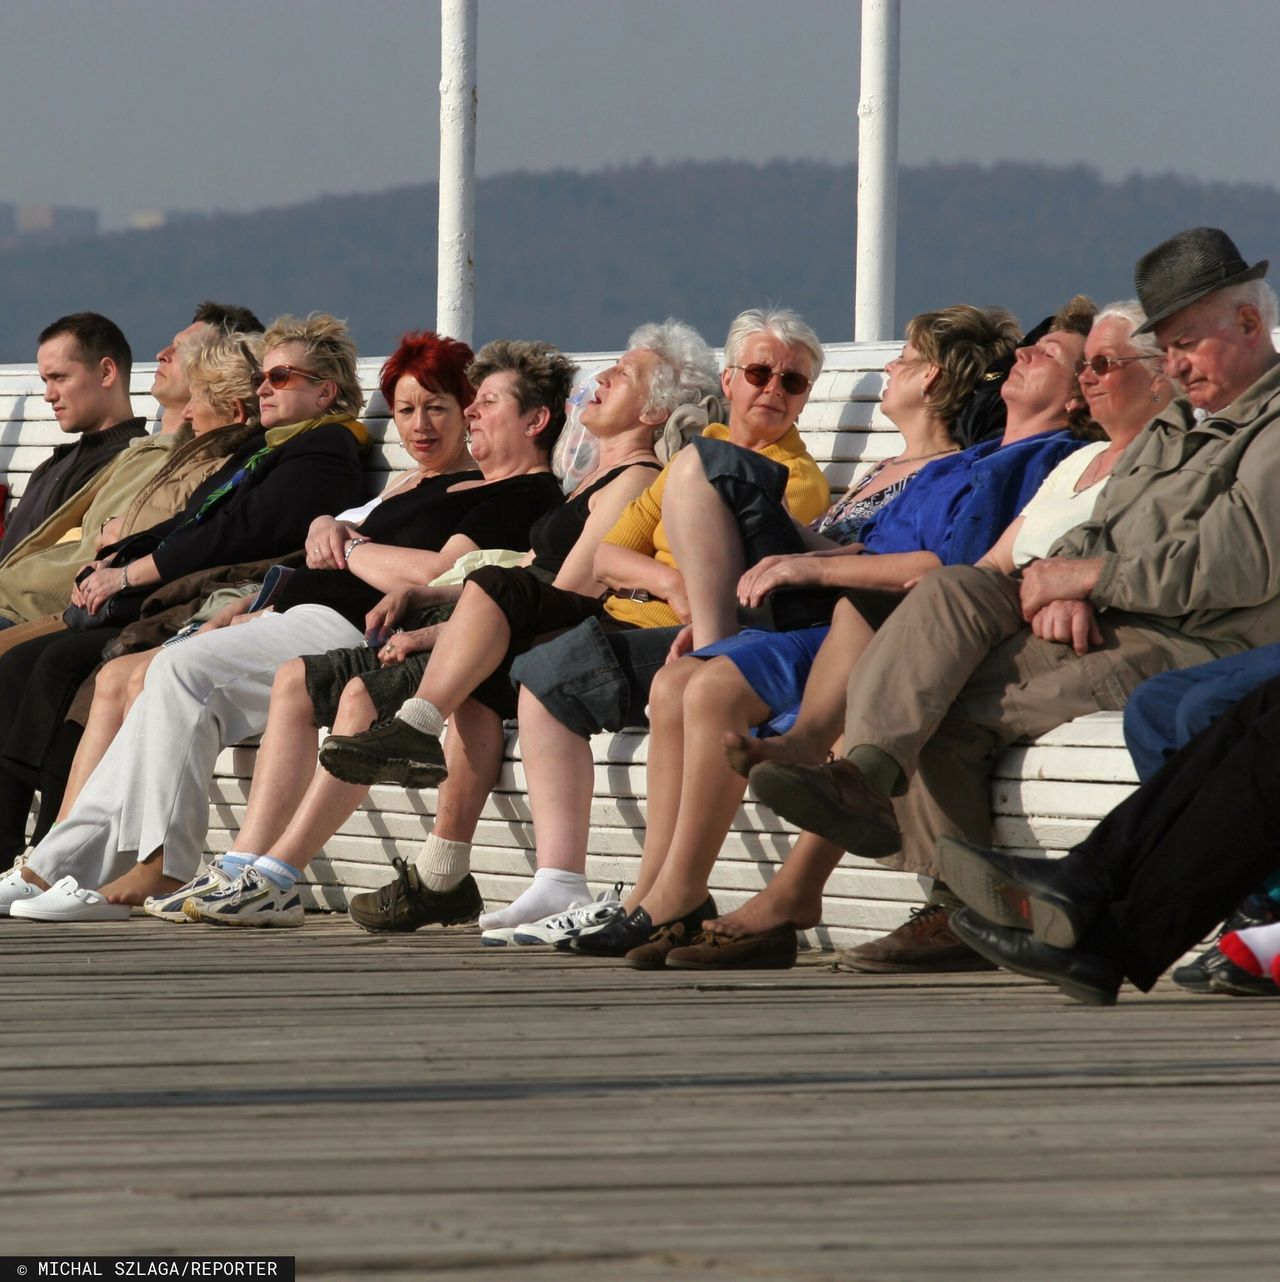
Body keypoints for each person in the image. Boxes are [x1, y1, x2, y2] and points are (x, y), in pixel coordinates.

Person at [712, 227, 1280, 976]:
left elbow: (1239, 565)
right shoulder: (1172, 428)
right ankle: (866, 774)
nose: (1174, 364)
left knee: (948, 708)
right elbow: (1099, 526)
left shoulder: (1269, 428)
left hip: (1193, 641)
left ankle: (958, 905)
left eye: (1186, 345)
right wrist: (1067, 576)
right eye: (1166, 347)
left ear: (1247, 325)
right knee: (951, 592)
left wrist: (1089, 581)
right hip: (1109, 618)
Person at [558, 303, 1088, 962]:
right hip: (836, 612)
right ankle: (659, 895)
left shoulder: (982, 465)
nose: (892, 365)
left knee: (710, 676)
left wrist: (807, 562)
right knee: (674, 685)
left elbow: (950, 568)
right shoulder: (938, 465)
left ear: (932, 381)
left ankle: (687, 892)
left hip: (868, 624)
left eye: (907, 359)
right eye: (757, 374)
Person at [4, 337, 570, 923]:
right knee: (182, 692)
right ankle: (61, 863)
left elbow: (431, 571)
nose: (433, 422)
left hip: (350, 626)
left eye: (454, 406)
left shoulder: (515, 493)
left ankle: (151, 862)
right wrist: (288, 574)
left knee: (177, 670)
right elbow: (324, 545)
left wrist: (348, 547)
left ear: (527, 418)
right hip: (297, 612)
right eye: (405, 410)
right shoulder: (418, 485)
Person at [185, 320, 719, 934]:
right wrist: (429, 595)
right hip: (500, 622)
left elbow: (567, 591)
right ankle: (261, 864)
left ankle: (288, 871)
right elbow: (528, 573)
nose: (600, 379)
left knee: (376, 690)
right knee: (300, 678)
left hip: (544, 634)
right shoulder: (591, 483)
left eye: (622, 375)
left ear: (653, 410)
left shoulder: (635, 480)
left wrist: (442, 625)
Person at [466, 307, 832, 940]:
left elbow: (737, 569)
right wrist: (663, 578)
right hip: (644, 616)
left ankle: (595, 887)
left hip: (708, 635)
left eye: (792, 382)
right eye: (759, 372)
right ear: (730, 379)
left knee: (551, 672)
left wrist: (660, 583)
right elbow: (607, 552)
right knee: (526, 663)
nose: (772, 389)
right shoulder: (699, 458)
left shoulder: (788, 480)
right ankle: (581, 884)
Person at [0, 302, 264, 633]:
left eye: (185, 349)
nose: (161, 353)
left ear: (223, 371)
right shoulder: (133, 454)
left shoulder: (204, 465)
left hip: (59, 606)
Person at [0, 313, 148, 566]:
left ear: (106, 372)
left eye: (60, 377)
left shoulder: (129, 465)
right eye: (46, 381)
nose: (48, 395)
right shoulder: (53, 465)